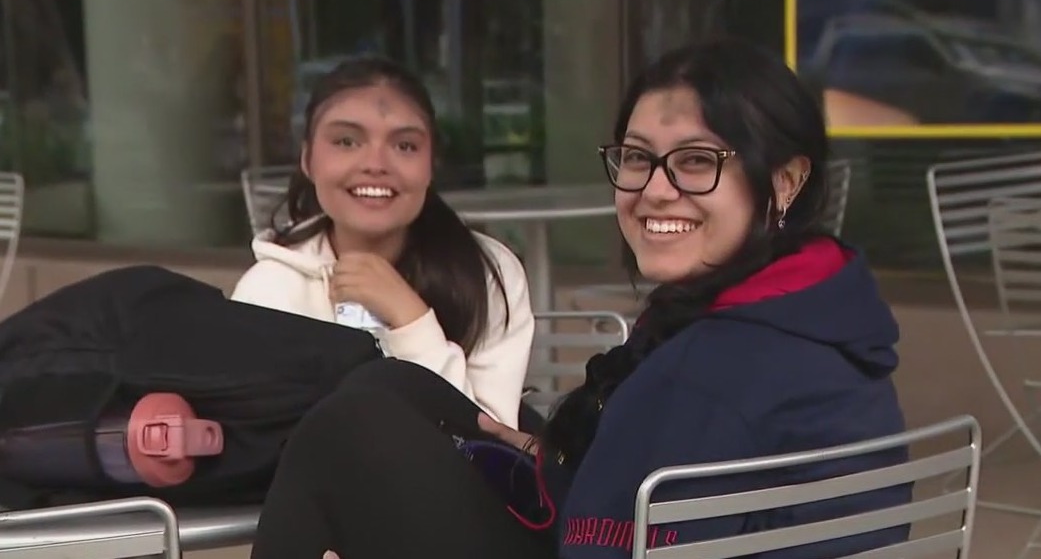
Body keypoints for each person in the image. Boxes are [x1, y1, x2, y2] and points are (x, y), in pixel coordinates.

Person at [248, 38, 910, 559]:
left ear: (785, 181)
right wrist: (554, 458)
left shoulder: (705, 374)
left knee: (351, 428)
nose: (654, 190)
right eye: (637, 156)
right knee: (392, 389)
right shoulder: (805, 308)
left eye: (697, 162)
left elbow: (605, 538)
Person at [230, 56, 534, 429]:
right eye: (346, 141)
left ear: (431, 164)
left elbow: (492, 446)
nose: (375, 163)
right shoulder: (269, 289)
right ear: (308, 159)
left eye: (405, 146)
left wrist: (412, 322)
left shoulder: (490, 273)